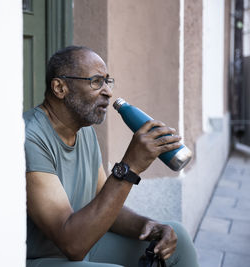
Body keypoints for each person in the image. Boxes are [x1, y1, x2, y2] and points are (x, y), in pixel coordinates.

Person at [24, 46, 199, 267]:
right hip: (42, 258)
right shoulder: (30, 137)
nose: (108, 91)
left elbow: (104, 207)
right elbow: (72, 246)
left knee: (178, 238)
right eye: (96, 81)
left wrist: (148, 225)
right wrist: (130, 167)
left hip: (85, 242)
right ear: (60, 87)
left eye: (108, 81)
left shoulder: (84, 130)